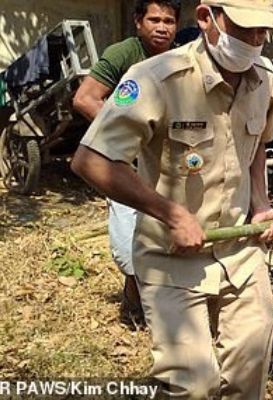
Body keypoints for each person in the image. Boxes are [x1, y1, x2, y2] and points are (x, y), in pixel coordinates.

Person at [70, 0, 273, 397]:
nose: (256, 40)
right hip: (171, 256)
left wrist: (260, 203)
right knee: (193, 385)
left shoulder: (264, 76)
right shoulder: (156, 78)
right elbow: (90, 159)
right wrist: (170, 214)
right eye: (245, 28)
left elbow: (256, 145)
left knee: (249, 372)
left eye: (264, 31)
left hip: (240, 251)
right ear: (207, 18)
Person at [73, 0, 181, 329]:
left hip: (169, 165)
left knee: (166, 234)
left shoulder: (181, 57)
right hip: (127, 165)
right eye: (154, 19)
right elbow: (85, 98)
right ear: (138, 21)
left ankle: (161, 304)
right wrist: (129, 132)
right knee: (127, 242)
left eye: (169, 21)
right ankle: (133, 297)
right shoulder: (124, 54)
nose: (162, 27)